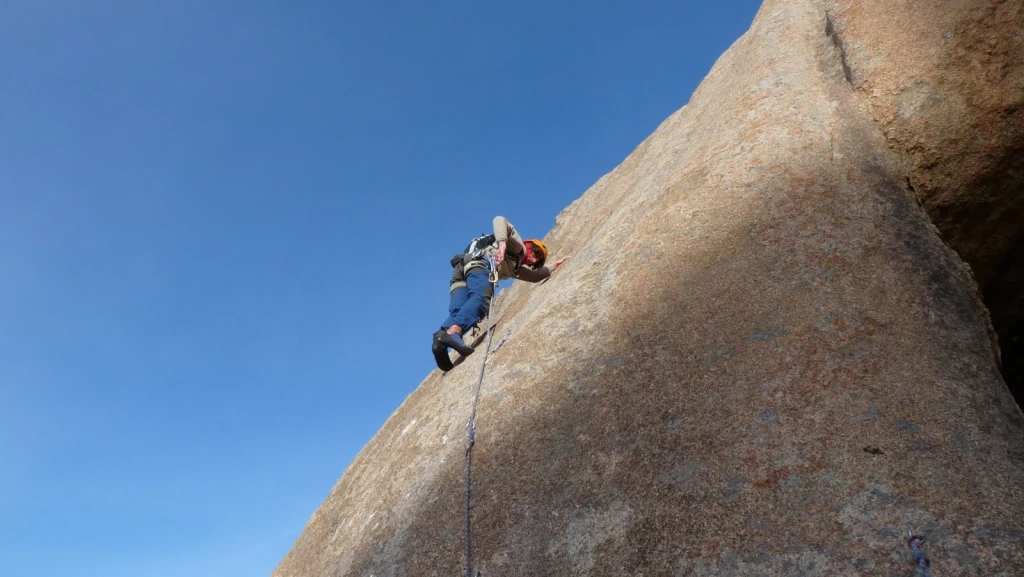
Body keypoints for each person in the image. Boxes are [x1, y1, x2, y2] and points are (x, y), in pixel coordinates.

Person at [432, 216, 568, 371]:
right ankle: (454, 332)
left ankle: (439, 341)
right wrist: (502, 246)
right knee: (481, 298)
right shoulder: (517, 248)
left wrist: (553, 266)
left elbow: (535, 276)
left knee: (459, 310)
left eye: (537, 261)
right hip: (479, 264)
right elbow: (499, 220)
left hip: (462, 270)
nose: (533, 258)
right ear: (527, 244)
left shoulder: (515, 267)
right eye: (535, 252)